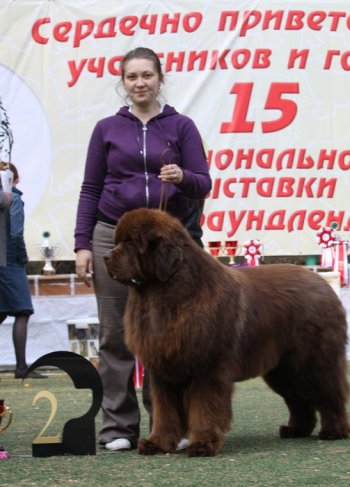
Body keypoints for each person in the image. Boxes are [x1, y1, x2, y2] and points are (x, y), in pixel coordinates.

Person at [74, 47, 212, 452]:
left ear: (160, 78)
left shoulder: (182, 126)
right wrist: (83, 244)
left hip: (166, 244)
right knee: (117, 334)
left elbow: (204, 183)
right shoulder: (105, 129)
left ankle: (169, 427)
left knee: (171, 338)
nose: (140, 84)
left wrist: (183, 176)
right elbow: (90, 189)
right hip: (113, 237)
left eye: (147, 76)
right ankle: (117, 427)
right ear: (123, 82)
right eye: (132, 77)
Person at [0, 163, 46, 379]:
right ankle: (21, 367)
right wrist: (23, 258)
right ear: (14, 179)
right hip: (9, 259)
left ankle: (21, 366)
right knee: (22, 310)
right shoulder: (14, 199)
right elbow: (16, 234)